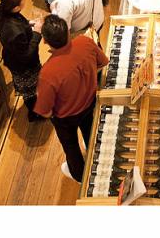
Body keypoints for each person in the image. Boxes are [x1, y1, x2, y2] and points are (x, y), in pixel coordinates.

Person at [34, 15, 108, 181]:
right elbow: (103, 63)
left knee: (71, 147)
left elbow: (45, 111)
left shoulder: (47, 73)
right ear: (67, 31)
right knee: (91, 133)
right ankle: (95, 156)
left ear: (45, 41)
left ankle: (79, 175)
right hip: (90, 103)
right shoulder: (85, 42)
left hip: (66, 118)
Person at [0, 0, 43, 122]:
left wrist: (28, 24)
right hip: (23, 65)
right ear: (16, 8)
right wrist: (36, 33)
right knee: (29, 91)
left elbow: (17, 22)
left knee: (30, 87)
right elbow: (27, 55)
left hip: (12, 56)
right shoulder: (14, 32)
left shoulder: (1, 10)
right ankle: (35, 114)